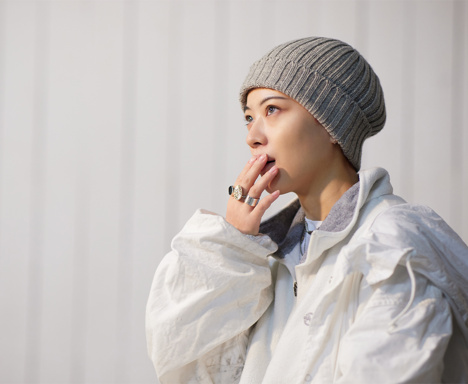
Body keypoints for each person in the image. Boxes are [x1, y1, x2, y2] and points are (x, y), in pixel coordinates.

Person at [146, 37, 468, 383]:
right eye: (248, 118)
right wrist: (232, 249)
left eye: (272, 110)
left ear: (332, 125)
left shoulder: (391, 246)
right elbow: (185, 366)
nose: (252, 136)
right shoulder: (266, 259)